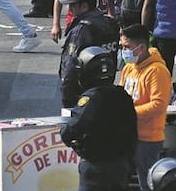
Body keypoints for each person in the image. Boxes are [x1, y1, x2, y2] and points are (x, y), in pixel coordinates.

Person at [59, 47, 137, 191]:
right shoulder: (123, 96)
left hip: (96, 165)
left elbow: (72, 129)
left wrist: (70, 139)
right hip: (121, 164)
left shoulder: (91, 99)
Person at [118, 24, 172, 189]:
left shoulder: (157, 71)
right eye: (122, 46)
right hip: (128, 135)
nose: (123, 51)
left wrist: (129, 113)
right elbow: (121, 96)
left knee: (147, 184)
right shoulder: (128, 68)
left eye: (127, 47)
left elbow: (159, 105)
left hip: (148, 139)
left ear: (141, 48)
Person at [56, 0, 119, 108]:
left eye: (72, 5)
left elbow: (71, 66)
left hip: (81, 94)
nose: (69, 9)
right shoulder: (109, 23)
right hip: (105, 88)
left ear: (84, 6)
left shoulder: (81, 30)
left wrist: (66, 98)